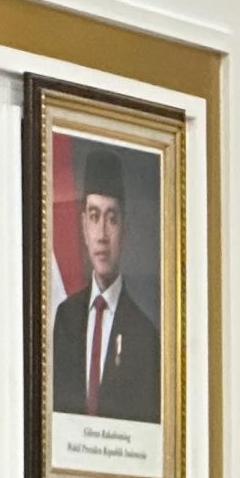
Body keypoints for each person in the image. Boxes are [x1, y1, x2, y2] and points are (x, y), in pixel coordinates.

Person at [51, 145, 161, 424]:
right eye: (94, 216)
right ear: (83, 226)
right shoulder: (65, 317)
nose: (101, 234)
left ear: (124, 229)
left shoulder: (145, 335)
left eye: (111, 219)